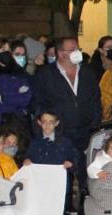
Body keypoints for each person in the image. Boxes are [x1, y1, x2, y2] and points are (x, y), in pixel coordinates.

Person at [31, 36, 102, 166]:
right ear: (61, 53)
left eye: (77, 49)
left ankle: (83, 186)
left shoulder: (87, 72)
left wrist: (95, 123)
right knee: (62, 168)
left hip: (86, 130)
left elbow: (95, 99)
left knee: (85, 167)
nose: (77, 52)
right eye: (72, 49)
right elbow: (39, 102)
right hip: (60, 131)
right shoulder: (45, 74)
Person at [0, 39, 34, 131]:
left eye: (8, 50)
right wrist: (16, 96)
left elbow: (26, 98)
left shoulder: (19, 72)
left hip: (19, 124)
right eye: (3, 49)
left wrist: (3, 98)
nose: (7, 53)